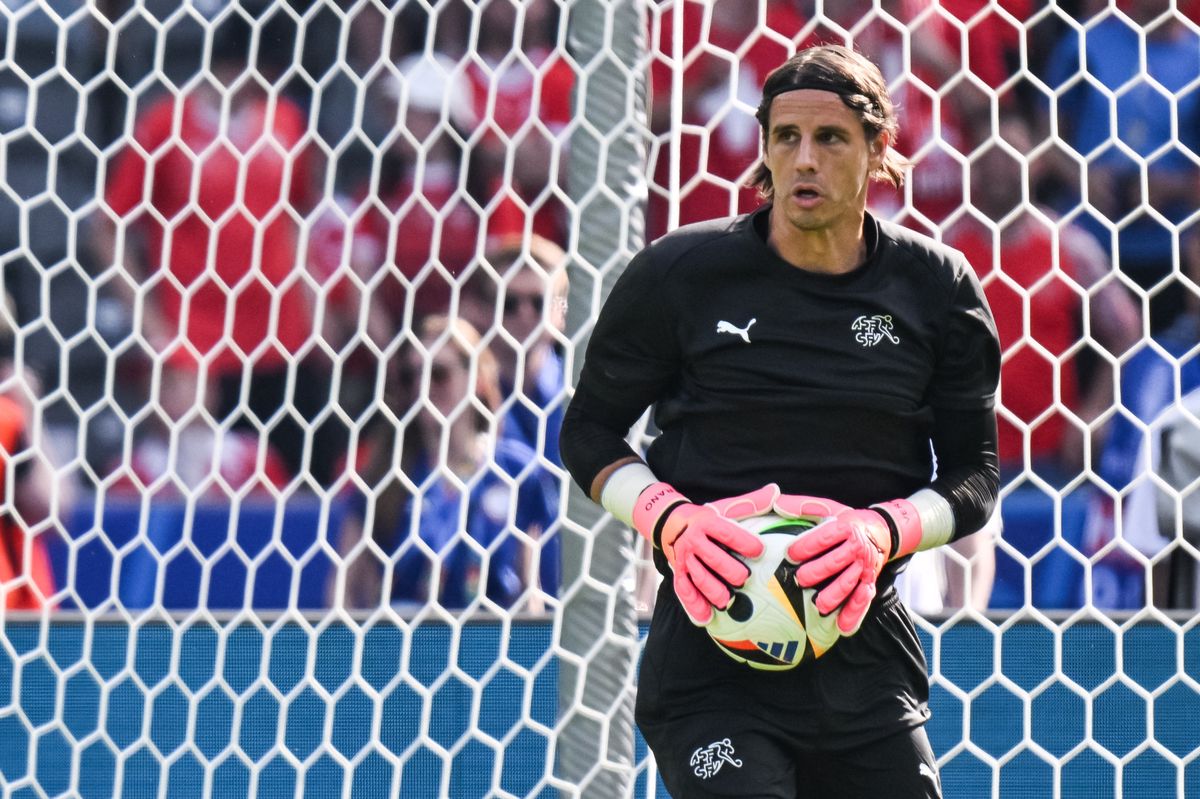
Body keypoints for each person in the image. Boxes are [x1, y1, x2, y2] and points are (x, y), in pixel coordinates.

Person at [559, 44, 1000, 798]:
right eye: (786, 137)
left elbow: (976, 476)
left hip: (863, 653)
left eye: (830, 138)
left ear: (878, 149)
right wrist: (674, 521)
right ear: (763, 147)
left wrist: (880, 532)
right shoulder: (680, 274)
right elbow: (588, 432)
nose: (805, 159)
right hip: (710, 659)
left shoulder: (937, 288)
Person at [95, 14, 343, 487]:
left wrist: (315, 306)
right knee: (212, 498)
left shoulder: (286, 120)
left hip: (281, 340)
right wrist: (150, 322)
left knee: (298, 489)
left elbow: (294, 219)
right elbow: (107, 228)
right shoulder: (166, 124)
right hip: (199, 349)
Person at [330, 316, 559, 612]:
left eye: (438, 374)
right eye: (411, 376)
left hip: (488, 632)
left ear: (477, 379)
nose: (423, 387)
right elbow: (342, 588)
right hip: (405, 633)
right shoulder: (386, 473)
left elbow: (532, 588)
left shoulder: (516, 471)